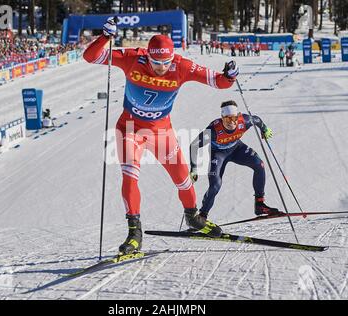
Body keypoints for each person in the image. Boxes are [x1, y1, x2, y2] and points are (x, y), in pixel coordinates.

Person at [83, 17, 239, 253]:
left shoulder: (182, 66)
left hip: (161, 131)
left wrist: (230, 75)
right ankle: (134, 232)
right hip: (130, 129)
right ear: (148, 55)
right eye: (156, 62)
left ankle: (193, 217)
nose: (161, 67)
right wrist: (105, 36)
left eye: (165, 62)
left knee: (183, 178)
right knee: (130, 176)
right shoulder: (133, 58)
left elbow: (220, 82)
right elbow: (90, 56)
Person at [189, 100, 279, 234]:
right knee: (215, 185)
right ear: (222, 118)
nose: (232, 122)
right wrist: (194, 168)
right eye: (227, 118)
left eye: (234, 118)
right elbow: (194, 145)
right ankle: (201, 217)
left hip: (237, 148)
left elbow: (257, 120)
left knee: (259, 165)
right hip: (218, 154)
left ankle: (259, 204)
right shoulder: (213, 131)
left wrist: (264, 129)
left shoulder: (245, 121)